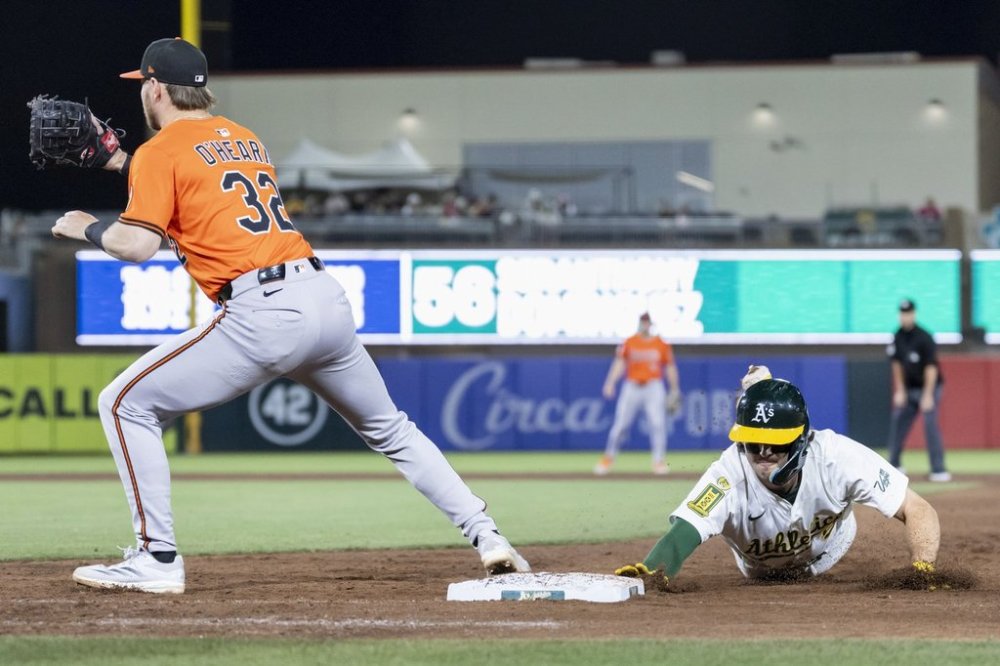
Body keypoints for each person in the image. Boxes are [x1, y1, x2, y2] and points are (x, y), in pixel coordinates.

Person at [50, 37, 529, 594]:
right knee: (392, 429)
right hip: (324, 299)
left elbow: (136, 246)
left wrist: (85, 226)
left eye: (144, 85)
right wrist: (118, 161)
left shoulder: (162, 153)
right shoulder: (245, 139)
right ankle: (490, 536)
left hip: (263, 313)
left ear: (155, 87)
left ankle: (156, 559)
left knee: (123, 403)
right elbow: (196, 189)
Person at [615, 366, 941, 584]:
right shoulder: (729, 475)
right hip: (760, 573)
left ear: (800, 440)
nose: (763, 452)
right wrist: (650, 573)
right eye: (753, 442)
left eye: (774, 443)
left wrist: (923, 568)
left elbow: (917, 508)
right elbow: (683, 533)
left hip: (833, 552)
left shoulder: (837, 455)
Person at [594, 312, 681, 476]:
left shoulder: (661, 344)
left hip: (653, 386)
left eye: (647, 322)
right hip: (632, 386)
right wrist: (610, 382)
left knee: (657, 424)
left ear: (651, 324)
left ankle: (658, 461)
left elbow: (670, 367)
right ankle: (608, 458)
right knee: (620, 426)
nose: (645, 325)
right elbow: (620, 363)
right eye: (643, 322)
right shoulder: (630, 342)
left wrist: (675, 388)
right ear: (639, 323)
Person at [886, 299, 950, 482]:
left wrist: (928, 395)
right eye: (902, 313)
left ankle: (938, 469)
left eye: (908, 313)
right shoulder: (898, 336)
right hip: (910, 388)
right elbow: (897, 364)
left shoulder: (924, 337)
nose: (905, 316)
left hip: (929, 387)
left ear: (914, 314)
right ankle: (894, 464)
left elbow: (931, 368)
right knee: (898, 420)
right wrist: (900, 390)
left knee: (930, 423)